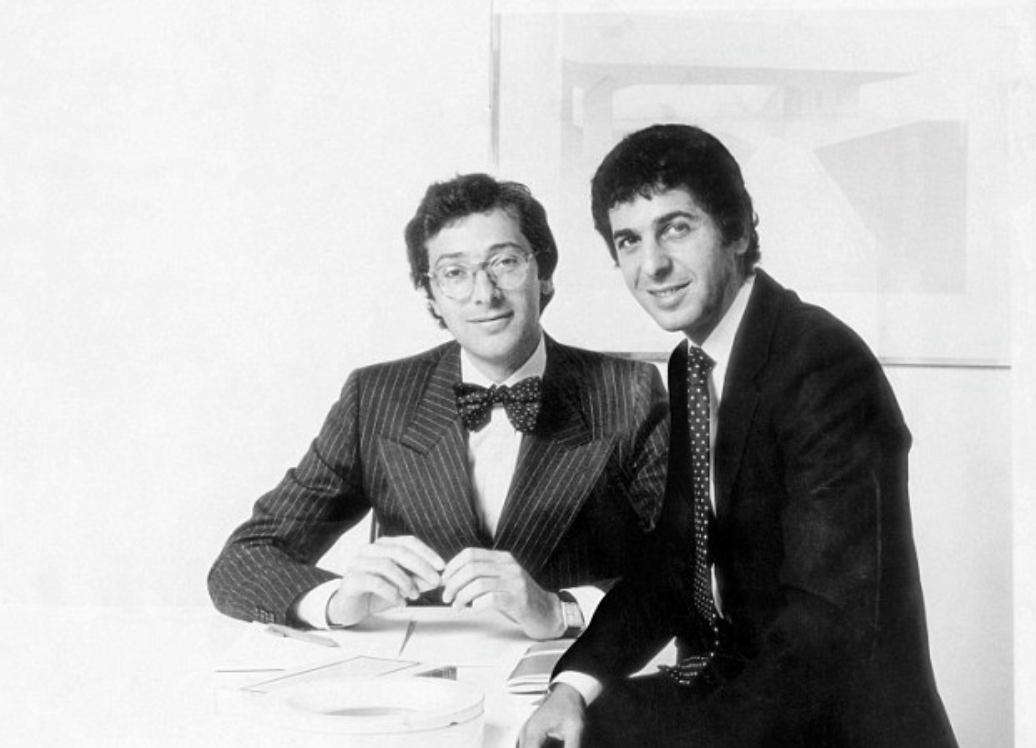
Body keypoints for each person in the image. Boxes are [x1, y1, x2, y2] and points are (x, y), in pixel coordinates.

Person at [519, 124, 958, 746]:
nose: (652, 265)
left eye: (676, 228)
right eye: (629, 240)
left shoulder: (821, 362)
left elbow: (821, 636)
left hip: (834, 726)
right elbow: (674, 563)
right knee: (541, 729)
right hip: (737, 691)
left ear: (739, 230)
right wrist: (574, 686)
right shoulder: (692, 363)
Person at [207, 173, 669, 641]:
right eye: (454, 273)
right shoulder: (375, 398)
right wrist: (337, 600)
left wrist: (560, 609)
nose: (484, 293)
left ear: (544, 275)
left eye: (505, 262)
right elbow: (243, 560)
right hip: (417, 677)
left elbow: (687, 570)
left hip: (573, 670)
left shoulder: (629, 393)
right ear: (431, 296)